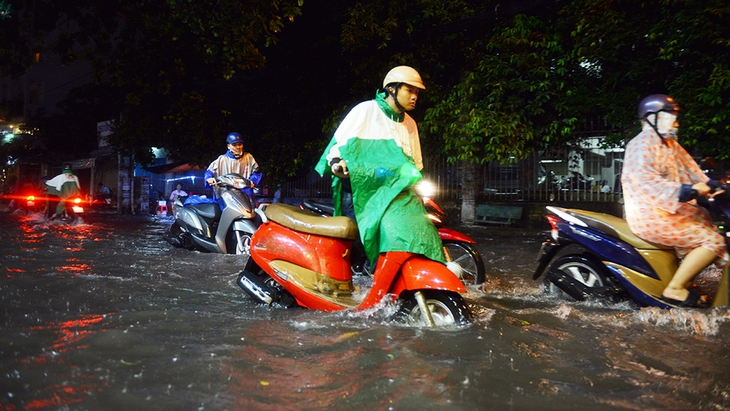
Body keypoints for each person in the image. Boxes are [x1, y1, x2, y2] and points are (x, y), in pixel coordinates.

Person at [314, 65, 443, 271]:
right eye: (409, 90)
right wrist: (337, 163)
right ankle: (354, 274)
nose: (414, 97)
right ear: (392, 89)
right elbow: (338, 146)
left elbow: (415, 164)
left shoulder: (410, 124)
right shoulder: (365, 111)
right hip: (358, 190)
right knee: (359, 234)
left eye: (417, 92)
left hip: (392, 192)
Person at [621, 94, 728, 307]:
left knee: (707, 219)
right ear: (653, 118)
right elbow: (647, 183)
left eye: (675, 117)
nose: (676, 123)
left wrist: (712, 183)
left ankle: (685, 278)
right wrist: (685, 190)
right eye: (671, 117)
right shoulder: (640, 146)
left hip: (667, 209)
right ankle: (674, 288)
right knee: (713, 240)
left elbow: (690, 167)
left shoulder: (668, 143)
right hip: (649, 215)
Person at [205, 132, 262, 201]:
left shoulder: (248, 157)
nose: (238, 147)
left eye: (240, 144)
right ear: (228, 146)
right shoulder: (222, 159)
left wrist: (252, 181)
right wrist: (209, 178)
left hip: (244, 194)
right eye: (234, 145)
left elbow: (257, 172)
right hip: (226, 195)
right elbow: (209, 172)